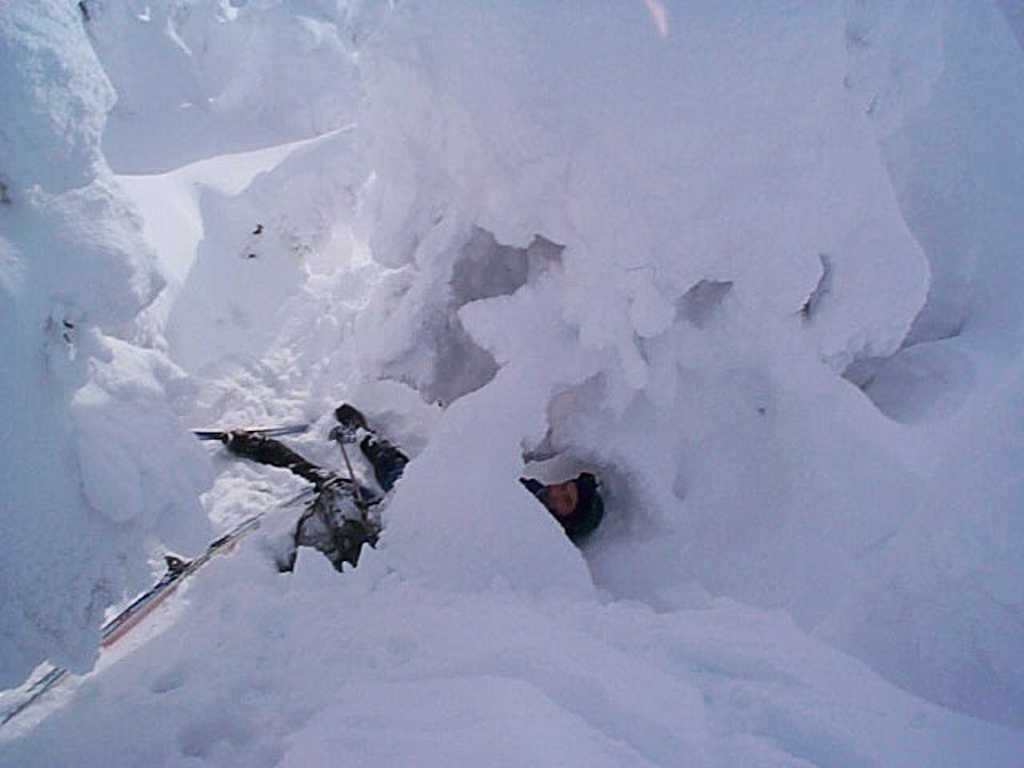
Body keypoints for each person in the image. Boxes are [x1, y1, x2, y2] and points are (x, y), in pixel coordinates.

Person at [221, 404, 604, 571]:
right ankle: (361, 435)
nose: (558, 491)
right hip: (430, 496)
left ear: (566, 521)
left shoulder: (535, 535)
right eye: (566, 486)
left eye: (566, 499)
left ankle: (267, 451)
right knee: (395, 464)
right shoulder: (534, 492)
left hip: (410, 528)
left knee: (341, 488)